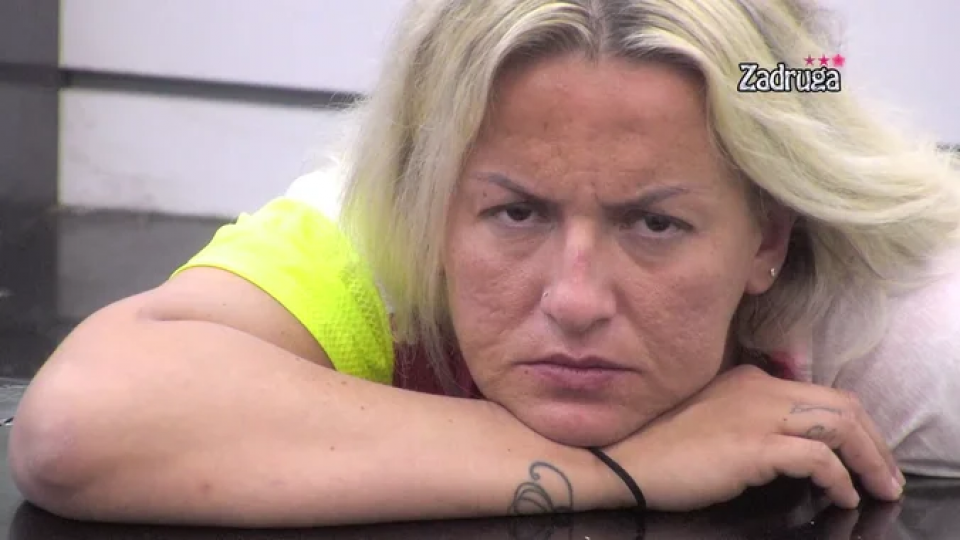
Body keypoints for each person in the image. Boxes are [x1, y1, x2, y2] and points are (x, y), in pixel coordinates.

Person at [10, 0, 960, 528]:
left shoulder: (895, 314)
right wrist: (625, 467)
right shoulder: (374, 224)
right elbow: (78, 424)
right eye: (516, 213)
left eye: (655, 225)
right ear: (431, 207)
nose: (575, 300)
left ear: (768, 240)